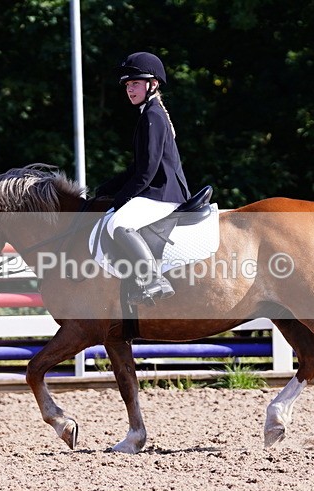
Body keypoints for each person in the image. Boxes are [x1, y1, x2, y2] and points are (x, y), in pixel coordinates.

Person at [96, 51, 191, 306]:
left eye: (136, 83)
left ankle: (153, 280)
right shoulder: (148, 113)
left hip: (163, 192)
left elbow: (147, 171)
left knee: (118, 224)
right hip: (157, 189)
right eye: (128, 85)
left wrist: (121, 198)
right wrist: (106, 188)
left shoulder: (153, 115)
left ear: (153, 84)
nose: (130, 89)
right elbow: (137, 167)